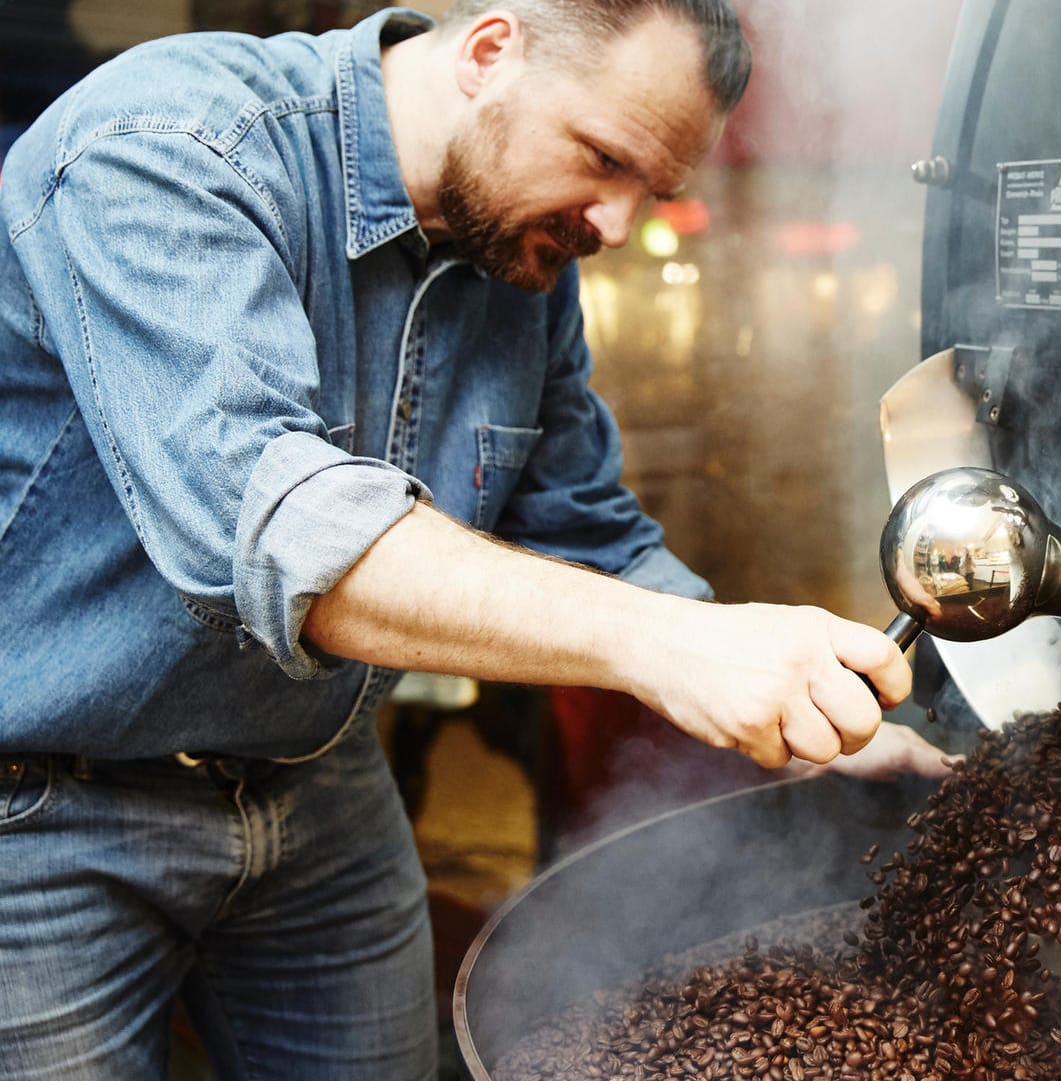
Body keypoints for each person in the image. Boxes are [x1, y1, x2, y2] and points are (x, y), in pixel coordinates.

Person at [0, 2, 939, 1077]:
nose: (620, 227)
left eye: (654, 191)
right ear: (492, 53)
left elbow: (582, 526)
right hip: (47, 811)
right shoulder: (171, 145)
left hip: (315, 778)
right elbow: (287, 532)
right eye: (603, 158)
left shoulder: (522, 261)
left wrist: (805, 693)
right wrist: (667, 649)